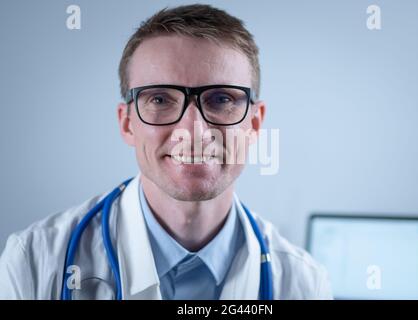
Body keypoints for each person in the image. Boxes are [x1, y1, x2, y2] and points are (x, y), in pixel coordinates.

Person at [0, 4, 332, 300]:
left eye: (222, 99)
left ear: (255, 124)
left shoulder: (303, 283)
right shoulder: (34, 264)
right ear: (127, 123)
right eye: (160, 99)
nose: (193, 131)